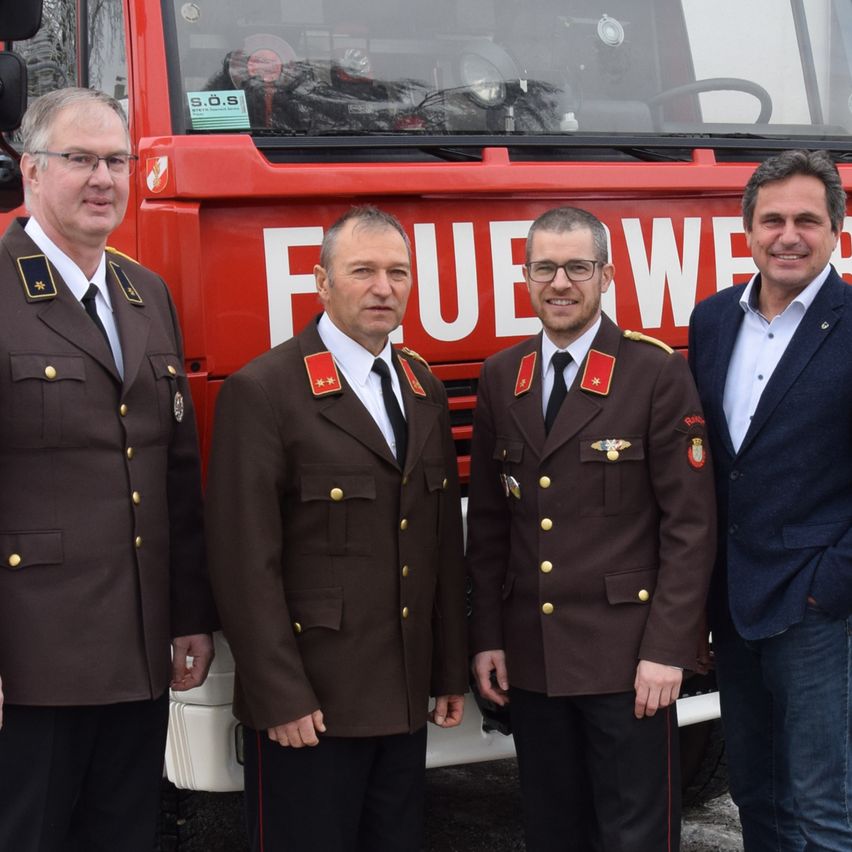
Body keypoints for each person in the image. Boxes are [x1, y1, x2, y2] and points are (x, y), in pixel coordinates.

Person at [205, 205, 467, 852]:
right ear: (321, 283)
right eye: (363, 271)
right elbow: (244, 563)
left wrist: (448, 671)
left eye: (398, 272)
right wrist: (280, 696)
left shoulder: (421, 387)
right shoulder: (265, 391)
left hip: (402, 703)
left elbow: (440, 546)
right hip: (311, 709)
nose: (384, 287)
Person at [0, 88, 217, 851]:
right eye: (80, 159)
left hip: (138, 650)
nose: (103, 179)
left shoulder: (143, 293)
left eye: (117, 161)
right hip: (33, 659)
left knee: (124, 835)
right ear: (29, 169)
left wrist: (190, 612)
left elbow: (175, 471)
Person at [467, 206, 716, 851]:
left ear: (606, 275)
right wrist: (488, 636)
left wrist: (669, 650)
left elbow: (689, 527)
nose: (560, 283)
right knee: (553, 831)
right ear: (524, 277)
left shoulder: (654, 373)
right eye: (545, 267)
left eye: (578, 266)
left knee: (633, 834)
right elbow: (492, 525)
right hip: (534, 659)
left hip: (627, 661)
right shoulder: (503, 377)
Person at [688, 150, 852, 851]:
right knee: (756, 793)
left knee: (823, 806)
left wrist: (831, 584)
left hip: (814, 606)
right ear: (747, 229)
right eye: (773, 219)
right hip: (731, 601)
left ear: (836, 232)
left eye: (807, 221)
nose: (789, 235)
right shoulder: (712, 320)